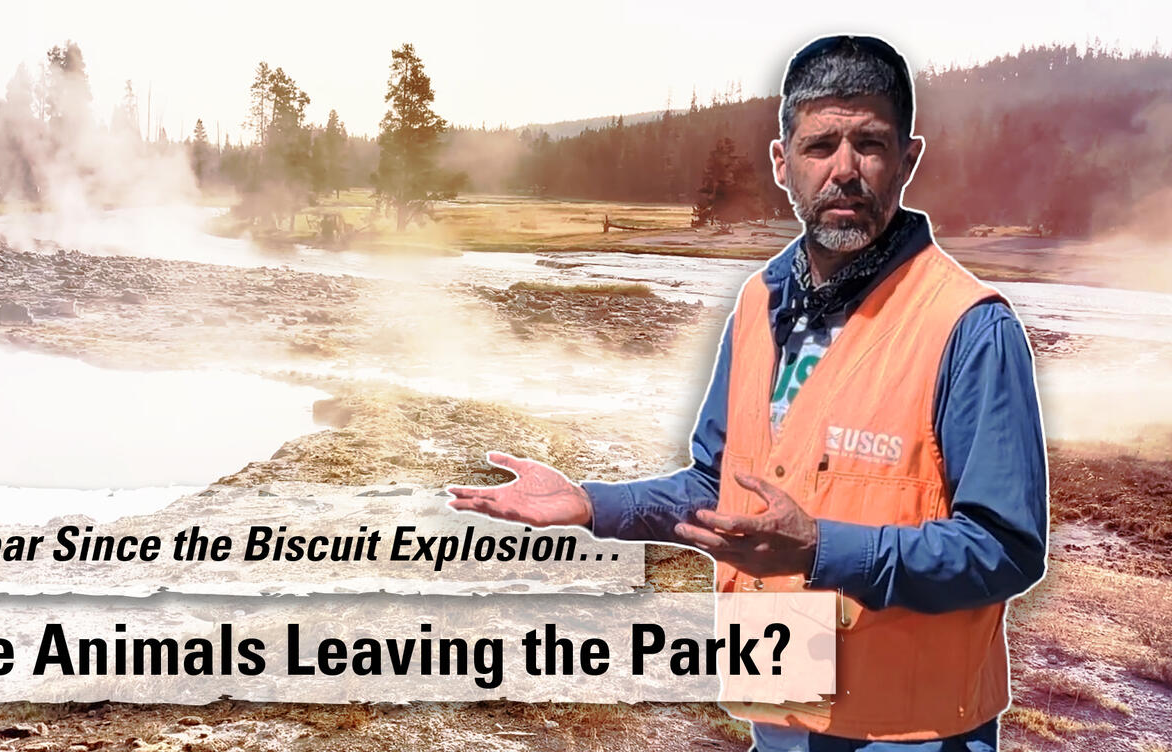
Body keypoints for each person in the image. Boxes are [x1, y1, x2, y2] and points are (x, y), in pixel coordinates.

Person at [448, 34, 1048, 751]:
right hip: (783, 706)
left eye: (871, 144)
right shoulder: (760, 306)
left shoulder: (968, 327)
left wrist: (821, 550)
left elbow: (1006, 548)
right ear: (782, 162)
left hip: (912, 731)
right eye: (821, 145)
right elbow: (717, 483)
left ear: (909, 159)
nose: (846, 170)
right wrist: (592, 503)